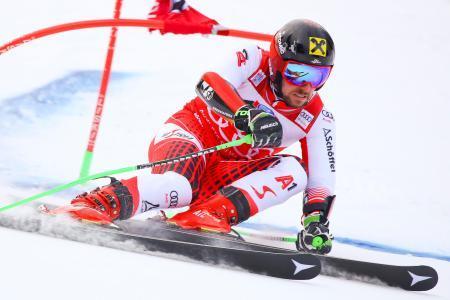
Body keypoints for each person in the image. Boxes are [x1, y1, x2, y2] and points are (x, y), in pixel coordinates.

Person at [70, 19, 337, 254]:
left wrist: (315, 222)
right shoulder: (253, 60)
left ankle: (209, 214)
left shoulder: (317, 118)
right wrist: (245, 114)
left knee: (296, 172)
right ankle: (98, 203)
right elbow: (208, 83)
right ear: (277, 66)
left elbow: (321, 180)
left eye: (318, 76)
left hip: (224, 173)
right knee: (179, 187)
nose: (306, 87)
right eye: (297, 73)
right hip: (191, 134)